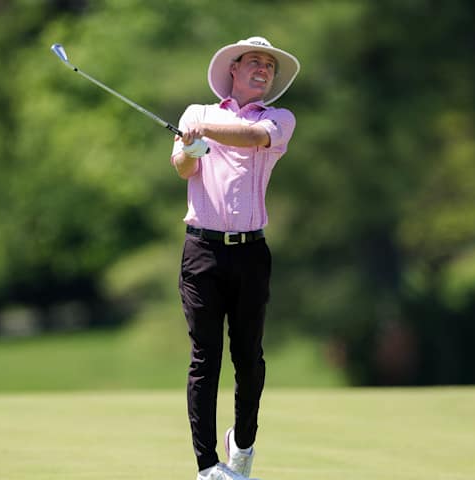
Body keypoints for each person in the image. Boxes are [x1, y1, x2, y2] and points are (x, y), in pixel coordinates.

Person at [170, 37, 300, 480]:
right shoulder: (197, 114)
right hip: (202, 251)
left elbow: (250, 139)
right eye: (254, 62)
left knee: (249, 357)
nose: (263, 69)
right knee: (205, 358)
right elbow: (184, 168)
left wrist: (204, 135)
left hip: (251, 253)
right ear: (234, 68)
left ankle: (242, 445)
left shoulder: (278, 119)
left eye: (270, 65)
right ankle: (207, 466)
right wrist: (189, 148)